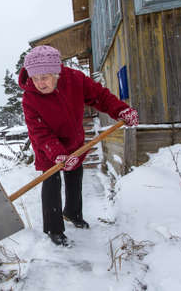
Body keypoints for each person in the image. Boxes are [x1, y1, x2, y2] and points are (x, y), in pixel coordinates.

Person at [18, 45, 138, 246]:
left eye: (45, 77)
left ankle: (73, 213)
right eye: (35, 78)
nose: (40, 83)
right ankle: (54, 229)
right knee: (51, 183)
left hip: (74, 141)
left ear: (57, 73)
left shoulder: (75, 79)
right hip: (48, 148)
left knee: (75, 176)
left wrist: (121, 111)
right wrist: (57, 154)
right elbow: (39, 132)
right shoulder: (30, 97)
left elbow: (100, 97)